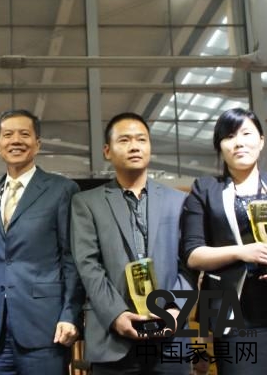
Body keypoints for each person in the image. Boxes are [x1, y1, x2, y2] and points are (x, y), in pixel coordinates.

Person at [70, 112, 193, 374]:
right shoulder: (87, 203)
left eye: (141, 139)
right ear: (107, 151)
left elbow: (189, 264)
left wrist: (175, 309)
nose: (134, 146)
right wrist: (116, 315)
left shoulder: (178, 201)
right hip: (112, 338)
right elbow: (88, 266)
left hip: (170, 336)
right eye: (124, 140)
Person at [0, 109, 84, 374]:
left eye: (24, 134)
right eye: (8, 135)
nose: (16, 140)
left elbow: (72, 258)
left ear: (37, 144)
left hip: (45, 326)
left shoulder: (61, 190)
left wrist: (70, 314)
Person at [181, 107, 267, 375]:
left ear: (261, 140)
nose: (239, 142)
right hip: (231, 316)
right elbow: (193, 254)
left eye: (246, 134)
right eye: (229, 136)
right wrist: (243, 252)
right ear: (220, 146)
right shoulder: (206, 190)